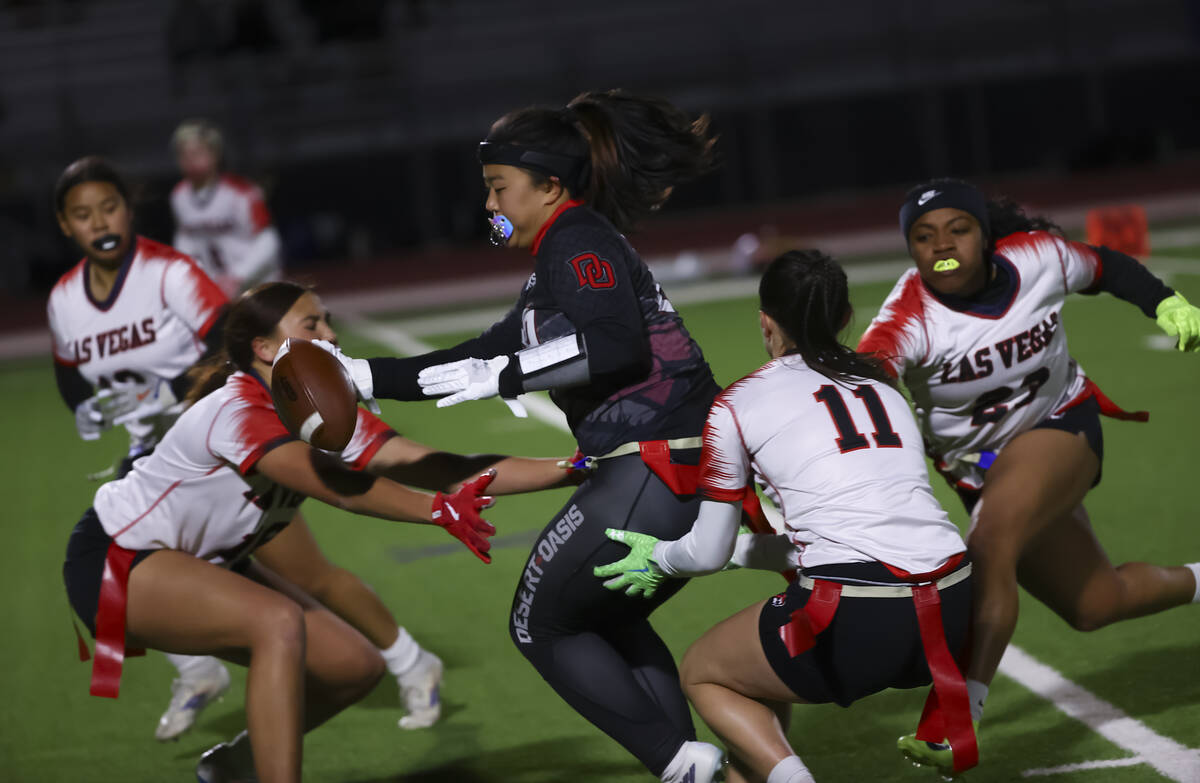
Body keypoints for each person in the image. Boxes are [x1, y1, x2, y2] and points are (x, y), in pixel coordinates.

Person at [317, 89, 736, 783]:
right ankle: (690, 768)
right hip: (668, 468)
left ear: (549, 186)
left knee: (537, 623)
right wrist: (361, 375)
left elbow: (616, 346)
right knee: (607, 620)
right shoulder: (557, 258)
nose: (489, 204)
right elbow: (478, 355)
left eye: (498, 186)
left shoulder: (577, 238)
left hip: (653, 466)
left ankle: (680, 764)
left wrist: (507, 373)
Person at [62, 280, 538, 783]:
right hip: (116, 560)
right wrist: (436, 511)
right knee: (278, 621)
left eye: (327, 321)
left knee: (353, 666)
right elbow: (335, 485)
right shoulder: (239, 409)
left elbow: (436, 465)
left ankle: (232, 766)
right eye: (312, 324)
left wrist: (575, 465)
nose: (330, 334)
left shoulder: (320, 412)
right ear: (264, 349)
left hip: (198, 560)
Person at [856, 178, 1200, 773]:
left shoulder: (1037, 258)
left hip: (1062, 425)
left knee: (990, 548)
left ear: (985, 234)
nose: (942, 245)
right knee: (1096, 603)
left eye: (958, 229)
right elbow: (871, 371)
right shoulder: (908, 314)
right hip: (981, 473)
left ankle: (955, 720)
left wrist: (1165, 302)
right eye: (924, 236)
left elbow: (1105, 266)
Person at [593, 249, 975, 783]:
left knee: (705, 672)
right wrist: (738, 555)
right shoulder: (884, 389)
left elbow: (706, 552)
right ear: (845, 318)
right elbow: (849, 535)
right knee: (756, 677)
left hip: (859, 618)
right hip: (956, 609)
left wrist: (658, 555)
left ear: (766, 322)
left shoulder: (737, 402)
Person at [48, 155, 236, 741]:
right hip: (153, 456)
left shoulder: (168, 272)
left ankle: (400, 660)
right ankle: (200, 669)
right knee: (115, 567)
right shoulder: (63, 299)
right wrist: (84, 409)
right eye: (83, 214)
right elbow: (70, 376)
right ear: (65, 225)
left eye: (109, 207)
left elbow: (232, 342)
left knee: (293, 579)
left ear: (128, 209)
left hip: (218, 440)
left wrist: (170, 391)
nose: (99, 222)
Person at [170, 118, 283, 297]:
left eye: (197, 152)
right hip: (219, 289)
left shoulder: (242, 192)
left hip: (258, 284)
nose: (190, 159)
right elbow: (186, 241)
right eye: (183, 154)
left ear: (215, 154)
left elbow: (267, 241)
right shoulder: (179, 195)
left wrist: (239, 275)